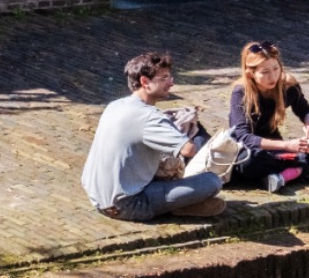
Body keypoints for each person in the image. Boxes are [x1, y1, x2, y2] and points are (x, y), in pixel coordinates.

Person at [81, 52, 225, 220]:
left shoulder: (115, 105)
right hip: (128, 204)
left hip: (96, 198)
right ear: (145, 82)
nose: (171, 83)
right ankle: (177, 206)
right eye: (164, 78)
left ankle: (179, 203)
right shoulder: (149, 116)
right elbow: (188, 150)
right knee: (212, 181)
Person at [229, 41, 309, 193]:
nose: (272, 76)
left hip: (279, 151)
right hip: (253, 151)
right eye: (265, 72)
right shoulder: (240, 92)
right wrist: (287, 146)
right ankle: (303, 170)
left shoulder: (287, 85)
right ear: (251, 74)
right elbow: (242, 137)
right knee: (248, 163)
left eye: (276, 68)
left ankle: (283, 174)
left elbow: (302, 106)